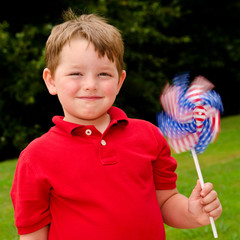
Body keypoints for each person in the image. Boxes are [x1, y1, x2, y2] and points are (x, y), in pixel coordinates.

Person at [10, 9, 222, 240]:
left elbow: (166, 201)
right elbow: (32, 234)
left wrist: (192, 213)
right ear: (51, 81)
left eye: (103, 74)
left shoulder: (149, 136)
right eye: (76, 74)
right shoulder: (36, 157)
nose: (90, 84)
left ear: (120, 81)